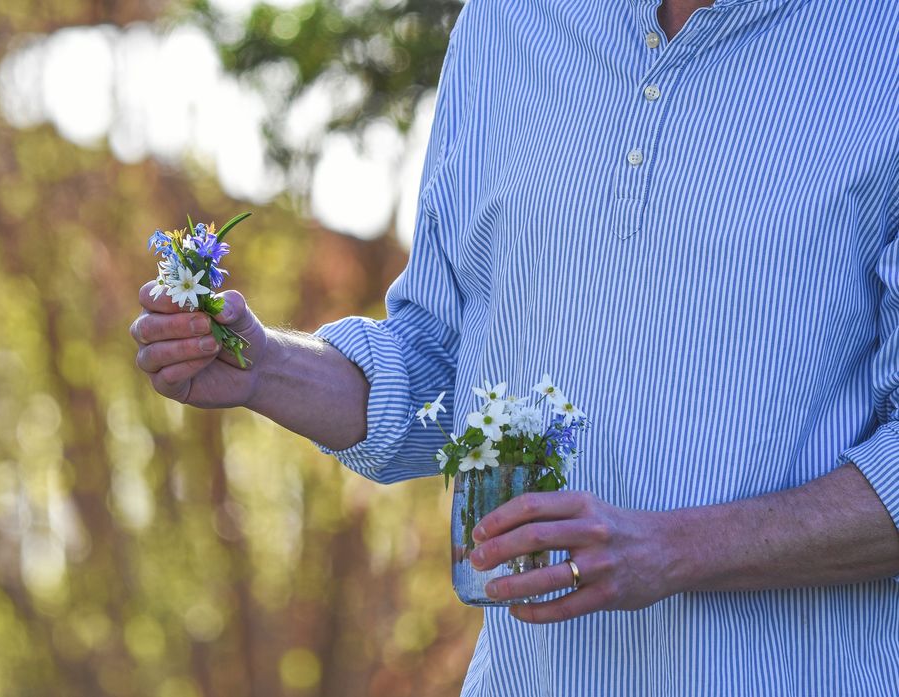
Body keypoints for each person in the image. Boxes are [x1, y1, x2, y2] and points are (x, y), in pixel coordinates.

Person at [131, 0, 899, 693]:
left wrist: (670, 547)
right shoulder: (508, 25)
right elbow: (444, 367)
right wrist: (267, 366)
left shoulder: (879, 44)